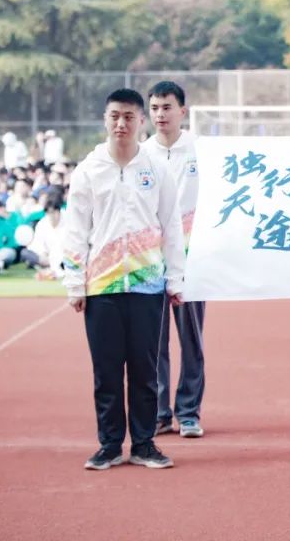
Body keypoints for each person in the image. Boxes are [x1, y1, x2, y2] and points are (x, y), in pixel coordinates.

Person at [61, 88, 186, 471]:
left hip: (148, 285)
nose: (121, 124)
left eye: (129, 117)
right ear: (105, 119)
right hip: (103, 286)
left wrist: (175, 278)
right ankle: (110, 444)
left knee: (146, 371)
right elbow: (75, 230)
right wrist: (75, 283)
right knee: (107, 371)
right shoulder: (88, 170)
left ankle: (145, 443)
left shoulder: (156, 169)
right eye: (115, 116)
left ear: (141, 121)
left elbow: (171, 226)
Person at [143, 81, 206, 439]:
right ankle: (159, 412)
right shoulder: (141, 154)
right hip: (152, 259)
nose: (160, 114)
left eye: (167, 107)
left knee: (191, 339)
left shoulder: (202, 151)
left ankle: (189, 412)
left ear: (183, 110)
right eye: (154, 108)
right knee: (154, 341)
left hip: (193, 260)